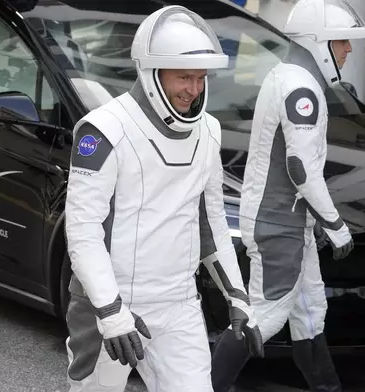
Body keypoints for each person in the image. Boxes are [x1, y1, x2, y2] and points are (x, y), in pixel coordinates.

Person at [63, 5, 264, 392]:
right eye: (184, 77)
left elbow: (211, 222)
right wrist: (110, 311)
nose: (194, 89)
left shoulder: (208, 130)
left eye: (201, 78)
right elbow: (83, 230)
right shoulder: (102, 131)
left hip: (178, 303)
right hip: (111, 307)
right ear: (152, 74)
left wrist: (237, 296)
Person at [210, 0, 365, 391]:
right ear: (318, 42)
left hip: (287, 220)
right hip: (279, 221)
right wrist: (336, 225)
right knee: (266, 316)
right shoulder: (302, 89)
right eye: (341, 42)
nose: (348, 50)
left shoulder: (287, 76)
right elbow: (301, 168)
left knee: (310, 312)